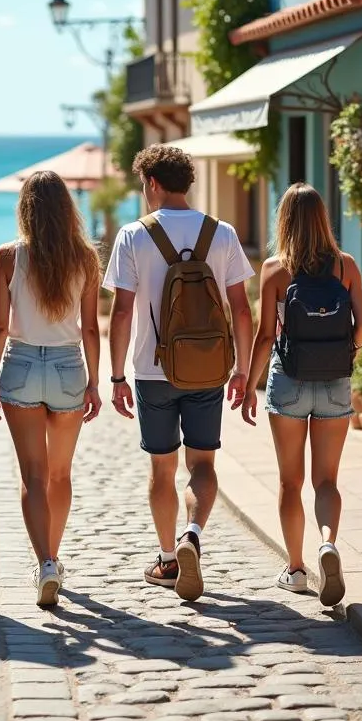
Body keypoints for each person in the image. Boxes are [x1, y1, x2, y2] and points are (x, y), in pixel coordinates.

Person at [104, 144, 254, 602]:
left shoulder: (133, 235)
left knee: (162, 469)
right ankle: (193, 533)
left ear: (151, 183)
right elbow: (242, 311)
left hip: (153, 372)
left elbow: (122, 311)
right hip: (209, 370)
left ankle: (168, 558)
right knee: (202, 464)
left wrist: (116, 376)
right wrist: (243, 371)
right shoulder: (222, 234)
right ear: (187, 183)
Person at [241, 182, 362, 607]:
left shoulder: (276, 269)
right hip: (335, 382)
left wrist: (247, 385)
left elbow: (265, 336)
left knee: (289, 481)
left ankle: (295, 569)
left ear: (285, 221)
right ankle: (328, 544)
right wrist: (346, 353)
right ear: (322, 219)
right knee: (327, 480)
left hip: (290, 381)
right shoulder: (345, 266)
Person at [0, 170, 102, 607]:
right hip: (70, 365)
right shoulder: (85, 258)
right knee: (60, 473)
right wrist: (95, 381)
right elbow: (90, 328)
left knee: (33, 475)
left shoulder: (8, 256)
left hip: (21, 364)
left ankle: (46, 562)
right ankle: (53, 556)